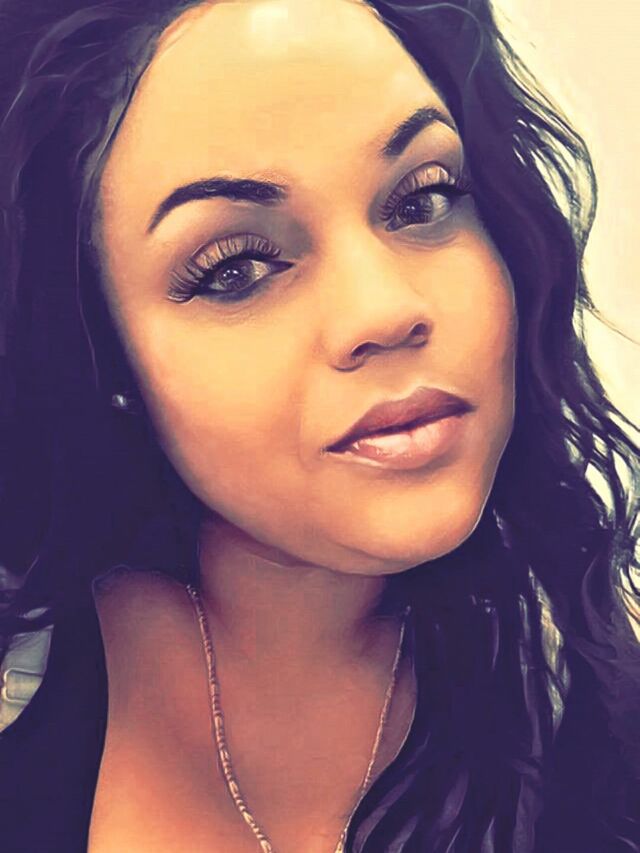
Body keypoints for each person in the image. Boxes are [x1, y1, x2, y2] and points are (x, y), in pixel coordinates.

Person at [0, 0, 638, 851]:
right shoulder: (24, 681)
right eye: (235, 268)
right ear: (102, 355)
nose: (385, 309)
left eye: (424, 199)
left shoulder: (594, 698)